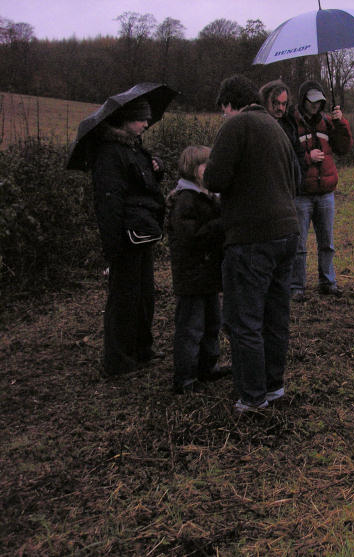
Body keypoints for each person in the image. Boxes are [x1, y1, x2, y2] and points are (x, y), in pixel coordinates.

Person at [203, 75, 300, 413]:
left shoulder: (237, 126)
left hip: (251, 239)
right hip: (287, 233)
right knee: (275, 316)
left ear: (229, 104)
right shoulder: (276, 126)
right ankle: (274, 387)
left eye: (223, 110)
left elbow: (214, 178)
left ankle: (252, 398)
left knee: (244, 320)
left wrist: (203, 176)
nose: (223, 116)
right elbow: (296, 177)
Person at [91, 97, 166, 376]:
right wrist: (112, 247)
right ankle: (118, 361)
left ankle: (141, 348)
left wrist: (157, 165)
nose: (146, 123)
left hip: (142, 233)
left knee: (144, 294)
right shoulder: (110, 153)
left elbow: (143, 181)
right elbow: (109, 202)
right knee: (124, 298)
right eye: (141, 119)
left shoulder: (133, 148)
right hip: (125, 237)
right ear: (126, 120)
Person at [166, 145, 228, 394]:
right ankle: (185, 378)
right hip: (192, 275)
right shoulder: (185, 200)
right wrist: (220, 224)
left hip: (208, 274)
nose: (210, 169)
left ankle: (207, 367)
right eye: (206, 165)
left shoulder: (207, 195)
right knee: (191, 328)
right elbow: (190, 237)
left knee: (213, 322)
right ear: (193, 169)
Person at [289, 80, 352, 300]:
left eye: (319, 102)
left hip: (325, 193)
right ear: (303, 101)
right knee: (299, 245)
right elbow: (287, 157)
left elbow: (344, 148)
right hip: (301, 194)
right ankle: (297, 286)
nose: (315, 106)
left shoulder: (328, 122)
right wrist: (308, 158)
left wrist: (341, 123)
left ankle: (328, 282)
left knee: (327, 243)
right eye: (311, 102)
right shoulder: (291, 124)